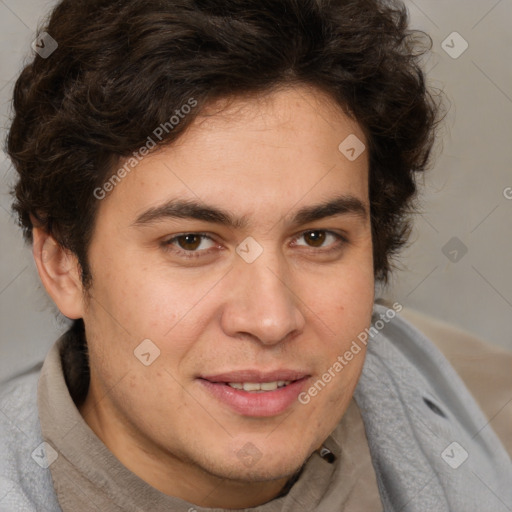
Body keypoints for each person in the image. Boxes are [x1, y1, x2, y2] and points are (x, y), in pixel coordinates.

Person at [1, 0, 511, 510]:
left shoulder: (491, 421)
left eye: (317, 238)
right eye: (192, 242)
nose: (270, 319)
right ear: (63, 263)